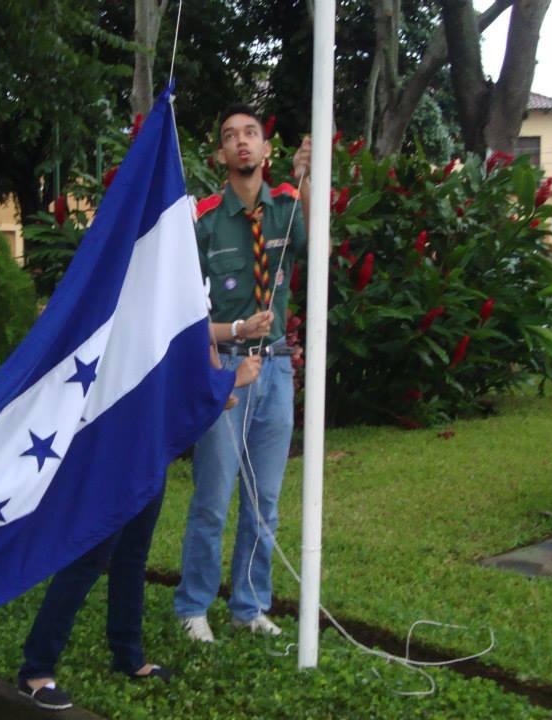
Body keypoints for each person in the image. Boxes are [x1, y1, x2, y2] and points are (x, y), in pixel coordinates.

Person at [17, 320, 267, 712]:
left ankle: (128, 655)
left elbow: (186, 336)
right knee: (92, 554)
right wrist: (228, 380)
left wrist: (217, 383)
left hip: (149, 433)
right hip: (120, 430)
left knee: (132, 554)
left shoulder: (172, 272)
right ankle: (36, 668)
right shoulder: (133, 273)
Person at [174, 103, 311, 642]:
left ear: (267, 149)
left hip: (276, 368)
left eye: (251, 133)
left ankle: (250, 606)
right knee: (213, 497)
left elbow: (318, 251)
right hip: (227, 370)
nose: (242, 143)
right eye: (230, 136)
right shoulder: (205, 219)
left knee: (266, 500)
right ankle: (193, 607)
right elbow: (183, 316)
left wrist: (309, 180)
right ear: (220, 155)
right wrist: (227, 351)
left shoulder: (285, 207)